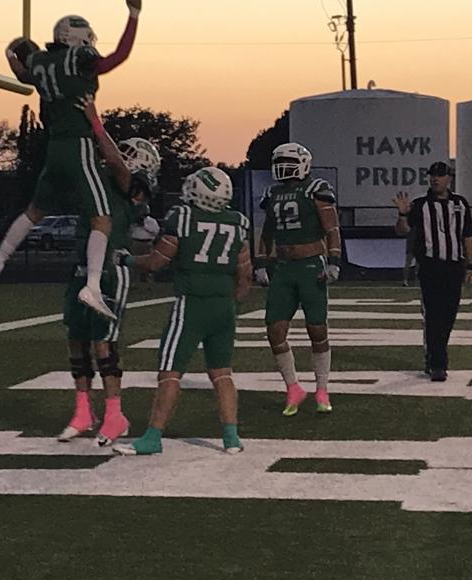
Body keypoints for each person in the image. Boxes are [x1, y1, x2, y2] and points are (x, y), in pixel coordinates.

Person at [0, 0, 143, 322]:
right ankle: (93, 286)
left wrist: (11, 52)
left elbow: (22, 72)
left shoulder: (40, 63)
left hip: (53, 148)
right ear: (77, 38)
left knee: (34, 211)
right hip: (79, 145)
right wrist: (134, 15)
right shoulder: (79, 58)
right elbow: (118, 57)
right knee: (103, 218)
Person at [112, 167, 253, 456]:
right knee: (222, 373)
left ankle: (153, 437)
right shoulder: (238, 223)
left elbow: (156, 262)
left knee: (170, 372)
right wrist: (232, 305)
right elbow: (245, 275)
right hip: (224, 305)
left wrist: (125, 260)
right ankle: (231, 438)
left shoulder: (184, 217)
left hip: (192, 304)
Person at [55, 98, 160, 447]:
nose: (118, 157)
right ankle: (83, 411)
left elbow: (115, 161)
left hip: (112, 272)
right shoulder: (101, 186)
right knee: (77, 342)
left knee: (104, 344)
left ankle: (115, 415)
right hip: (81, 270)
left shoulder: (129, 187)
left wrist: (94, 122)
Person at [255, 142, 341, 416]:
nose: (284, 168)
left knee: (317, 329)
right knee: (274, 331)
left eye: (290, 162)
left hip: (310, 266)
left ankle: (322, 388)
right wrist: (261, 263)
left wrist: (335, 261)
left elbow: (332, 229)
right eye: (281, 162)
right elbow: (267, 232)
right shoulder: (273, 193)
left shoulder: (316, 189)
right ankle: (293, 387)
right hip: (282, 268)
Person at [392, 161, 472, 382]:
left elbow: (468, 236)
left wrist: (471, 265)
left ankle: (435, 354)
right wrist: (402, 215)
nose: (435, 179)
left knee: (448, 315)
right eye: (432, 175)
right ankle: (438, 362)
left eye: (440, 175)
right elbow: (402, 231)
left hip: (453, 266)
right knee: (433, 315)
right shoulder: (420, 205)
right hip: (430, 266)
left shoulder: (460, 204)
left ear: (449, 178)